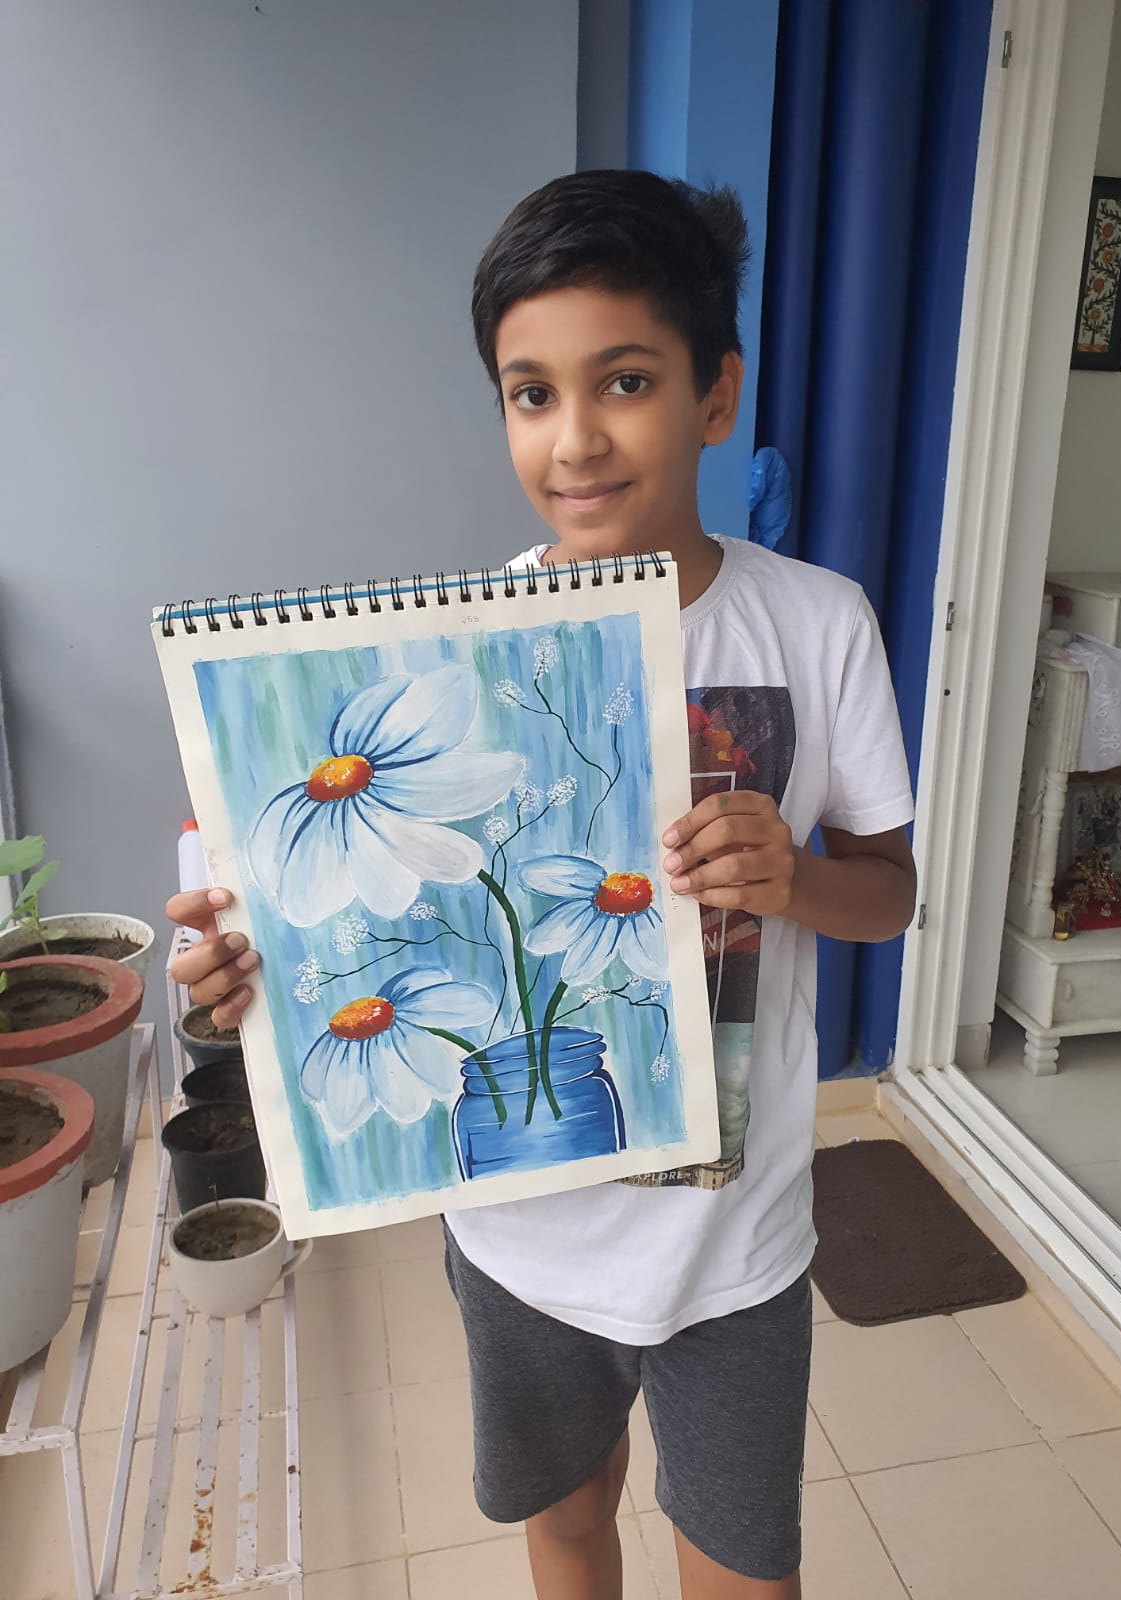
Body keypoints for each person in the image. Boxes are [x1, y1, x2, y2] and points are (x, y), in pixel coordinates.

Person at [166, 169, 916, 1600]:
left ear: (714, 394)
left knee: (745, 1571)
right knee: (566, 1527)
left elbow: (890, 890)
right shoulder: (463, 647)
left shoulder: (819, 625)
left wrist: (797, 879)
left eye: (623, 381)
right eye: (529, 393)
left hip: (736, 1248)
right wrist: (251, 968)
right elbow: (395, 915)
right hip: (522, 1240)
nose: (573, 438)